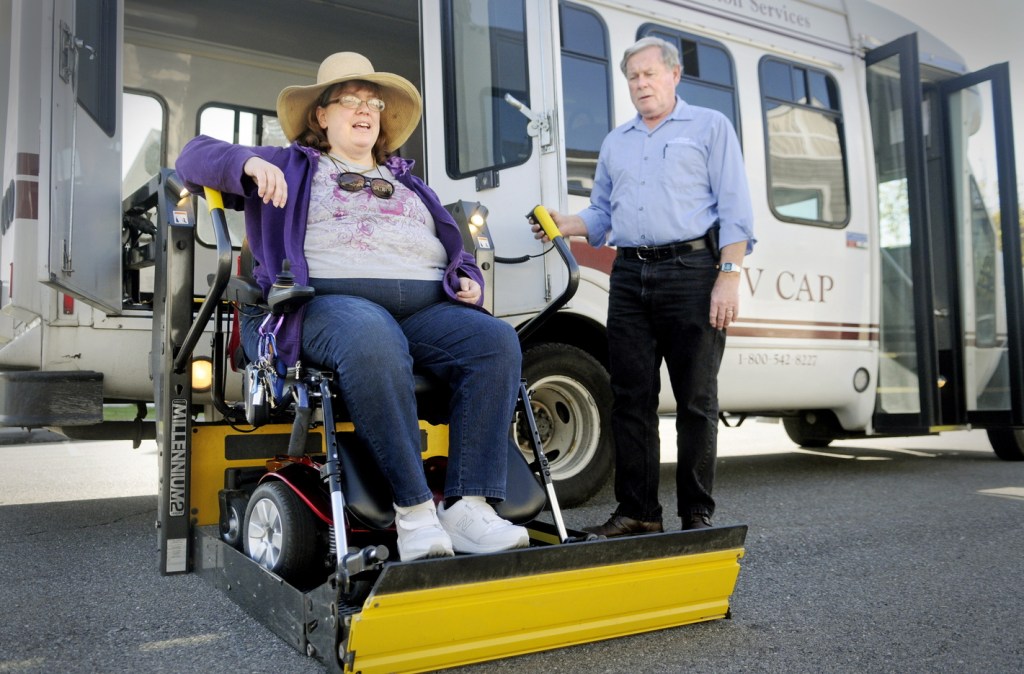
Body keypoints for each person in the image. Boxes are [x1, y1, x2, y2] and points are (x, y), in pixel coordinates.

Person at [176, 52, 529, 561]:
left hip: (423, 309)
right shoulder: (290, 165)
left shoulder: (409, 182)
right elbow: (192, 156)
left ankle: (468, 507)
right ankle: (413, 513)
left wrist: (467, 279)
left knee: (495, 340)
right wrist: (247, 163)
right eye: (349, 101)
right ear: (321, 116)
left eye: (373, 102)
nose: (364, 110)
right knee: (370, 331)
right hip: (323, 306)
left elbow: (452, 255)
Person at [535, 36, 755, 536]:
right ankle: (638, 512)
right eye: (633, 76)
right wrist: (567, 222)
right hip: (630, 273)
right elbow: (604, 214)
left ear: (674, 76)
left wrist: (728, 276)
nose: (640, 84)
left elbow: (736, 212)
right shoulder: (617, 142)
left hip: (693, 272)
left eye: (649, 74)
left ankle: (696, 514)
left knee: (696, 400)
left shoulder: (709, 127)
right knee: (630, 397)